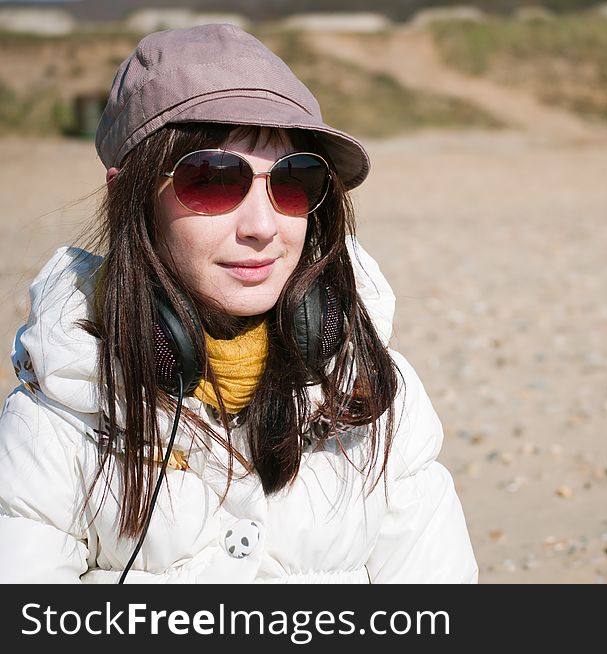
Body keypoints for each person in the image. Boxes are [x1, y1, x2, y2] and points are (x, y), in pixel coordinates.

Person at [0, 24, 478, 583]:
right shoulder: (60, 406)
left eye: (294, 180)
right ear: (128, 196)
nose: (262, 227)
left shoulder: (372, 390)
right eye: (212, 180)